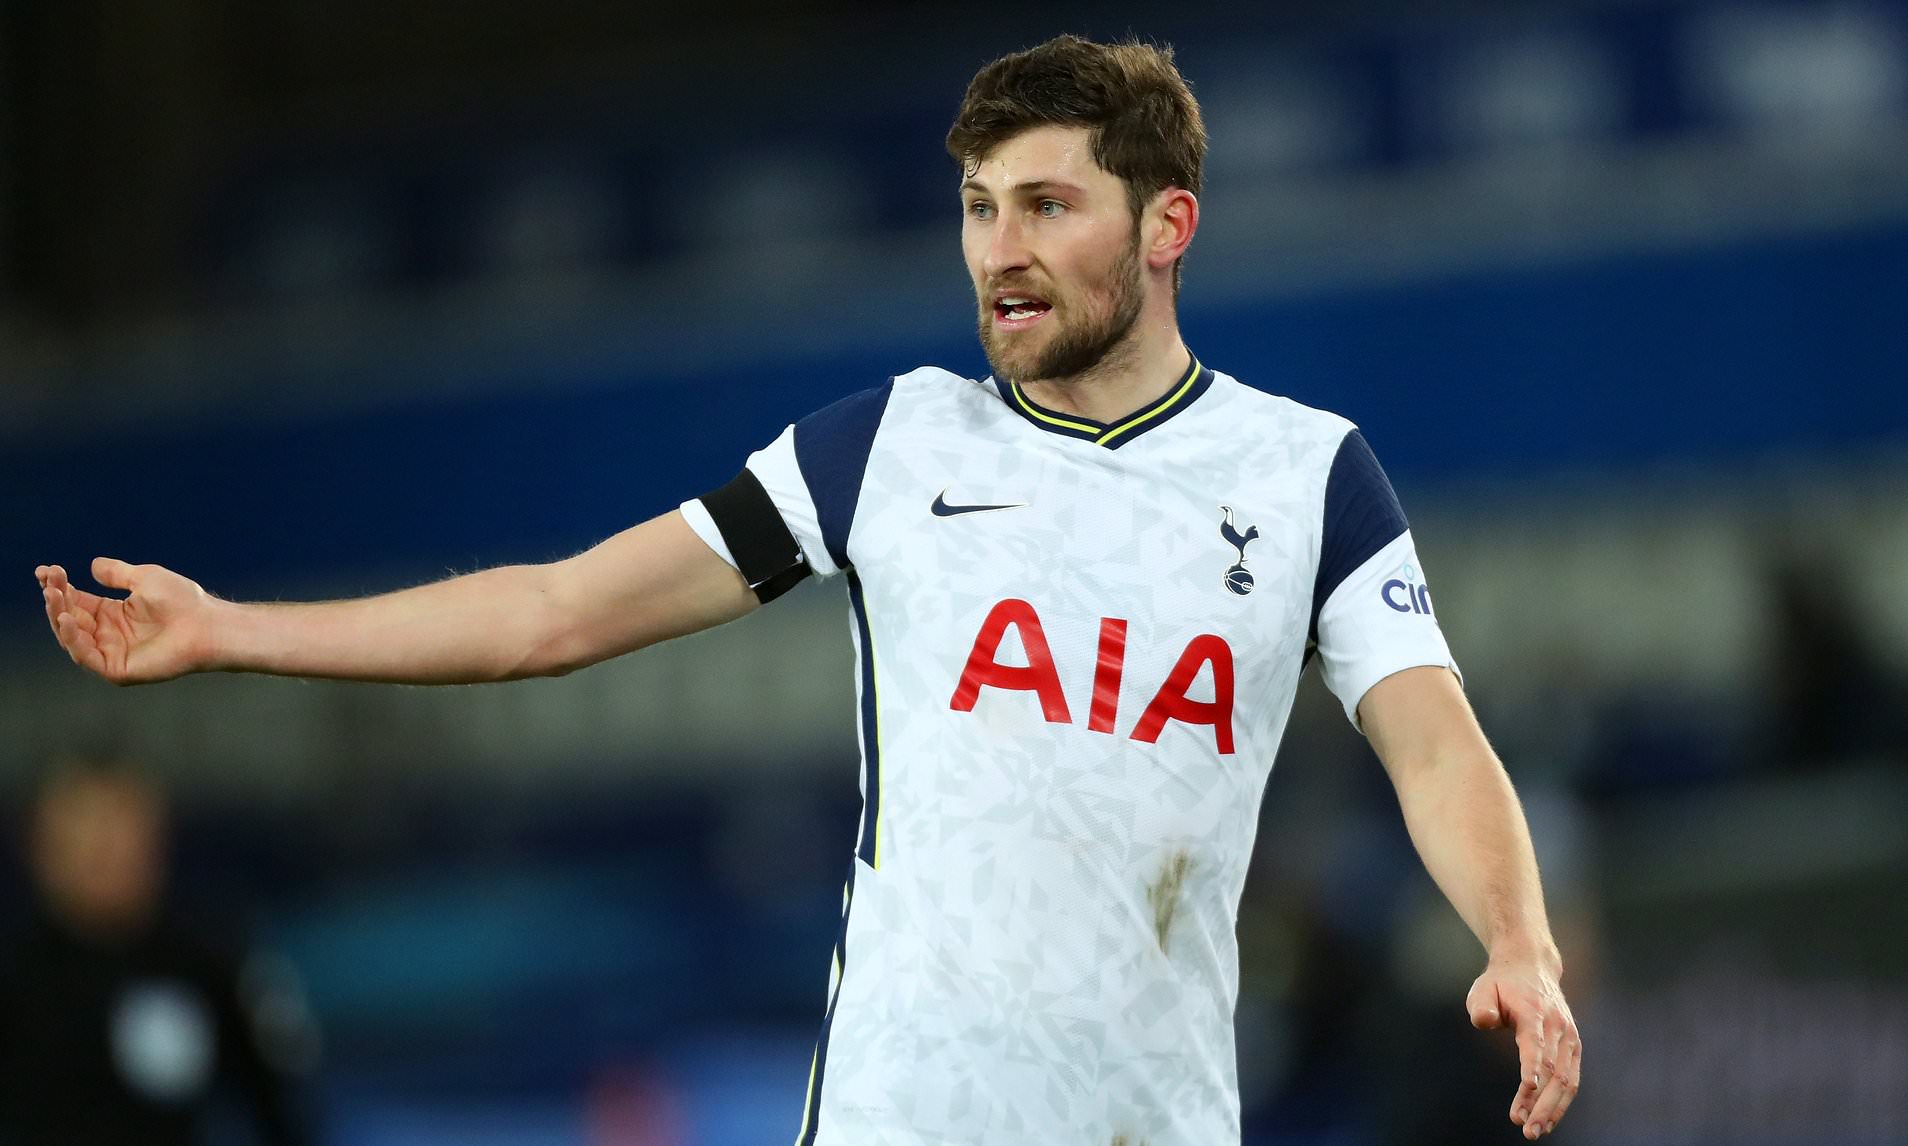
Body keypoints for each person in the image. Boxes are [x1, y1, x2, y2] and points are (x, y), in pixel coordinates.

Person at [32, 34, 1580, 1144]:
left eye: (1047, 204)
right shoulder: (890, 446)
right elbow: (557, 612)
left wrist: (1517, 941)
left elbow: (1433, 740)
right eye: (977, 206)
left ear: (1167, 224)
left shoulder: (1309, 473)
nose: (999, 249)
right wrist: (228, 628)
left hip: (1155, 1119)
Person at [0, 755, 316, 1146]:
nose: (107, 850)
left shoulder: (209, 960)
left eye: (121, 832)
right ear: (40, 848)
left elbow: (278, 1107)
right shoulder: (15, 972)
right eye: (86, 836)